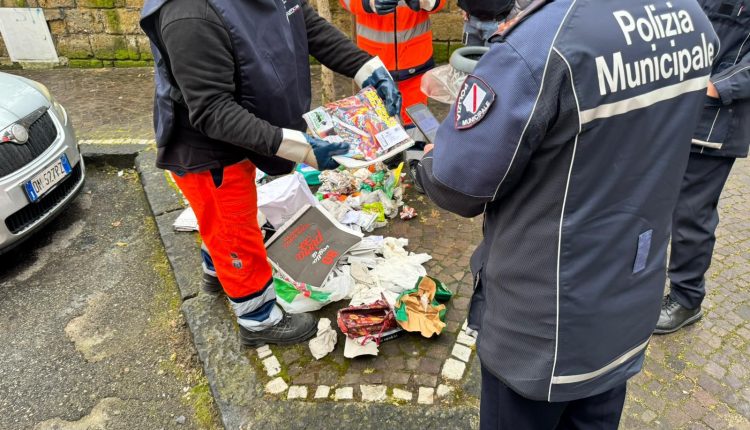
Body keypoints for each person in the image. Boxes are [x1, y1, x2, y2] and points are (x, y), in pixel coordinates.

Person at [418, 0, 718, 427]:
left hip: (541, 325)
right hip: (627, 299)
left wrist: (431, 161)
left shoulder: (542, 42)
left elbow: (456, 185)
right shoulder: (690, 18)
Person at [139, 0, 401, 347]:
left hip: (248, 128)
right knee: (235, 230)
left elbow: (304, 23)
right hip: (208, 149)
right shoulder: (188, 13)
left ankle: (216, 270)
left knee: (226, 219)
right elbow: (213, 110)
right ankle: (259, 319)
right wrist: (302, 149)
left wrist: (366, 68)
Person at [655, 0, 750, 335]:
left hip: (714, 123)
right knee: (648, 201)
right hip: (670, 112)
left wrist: (716, 87)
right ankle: (640, 282)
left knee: (690, 216)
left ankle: (687, 298)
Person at [338, 0, 445, 126]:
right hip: (374, 67)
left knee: (417, 125)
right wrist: (369, 3)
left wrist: (424, 1)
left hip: (416, 65)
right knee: (378, 127)